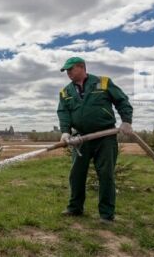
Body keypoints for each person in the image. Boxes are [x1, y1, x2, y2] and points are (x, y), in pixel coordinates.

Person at [56, 57, 133, 224]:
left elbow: (122, 101)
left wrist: (126, 121)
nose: (68, 73)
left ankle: (106, 215)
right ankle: (75, 208)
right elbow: (63, 113)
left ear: (82, 67)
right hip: (80, 139)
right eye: (66, 71)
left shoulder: (103, 82)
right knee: (76, 174)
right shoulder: (66, 92)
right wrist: (65, 132)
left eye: (71, 69)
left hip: (105, 137)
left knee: (106, 175)